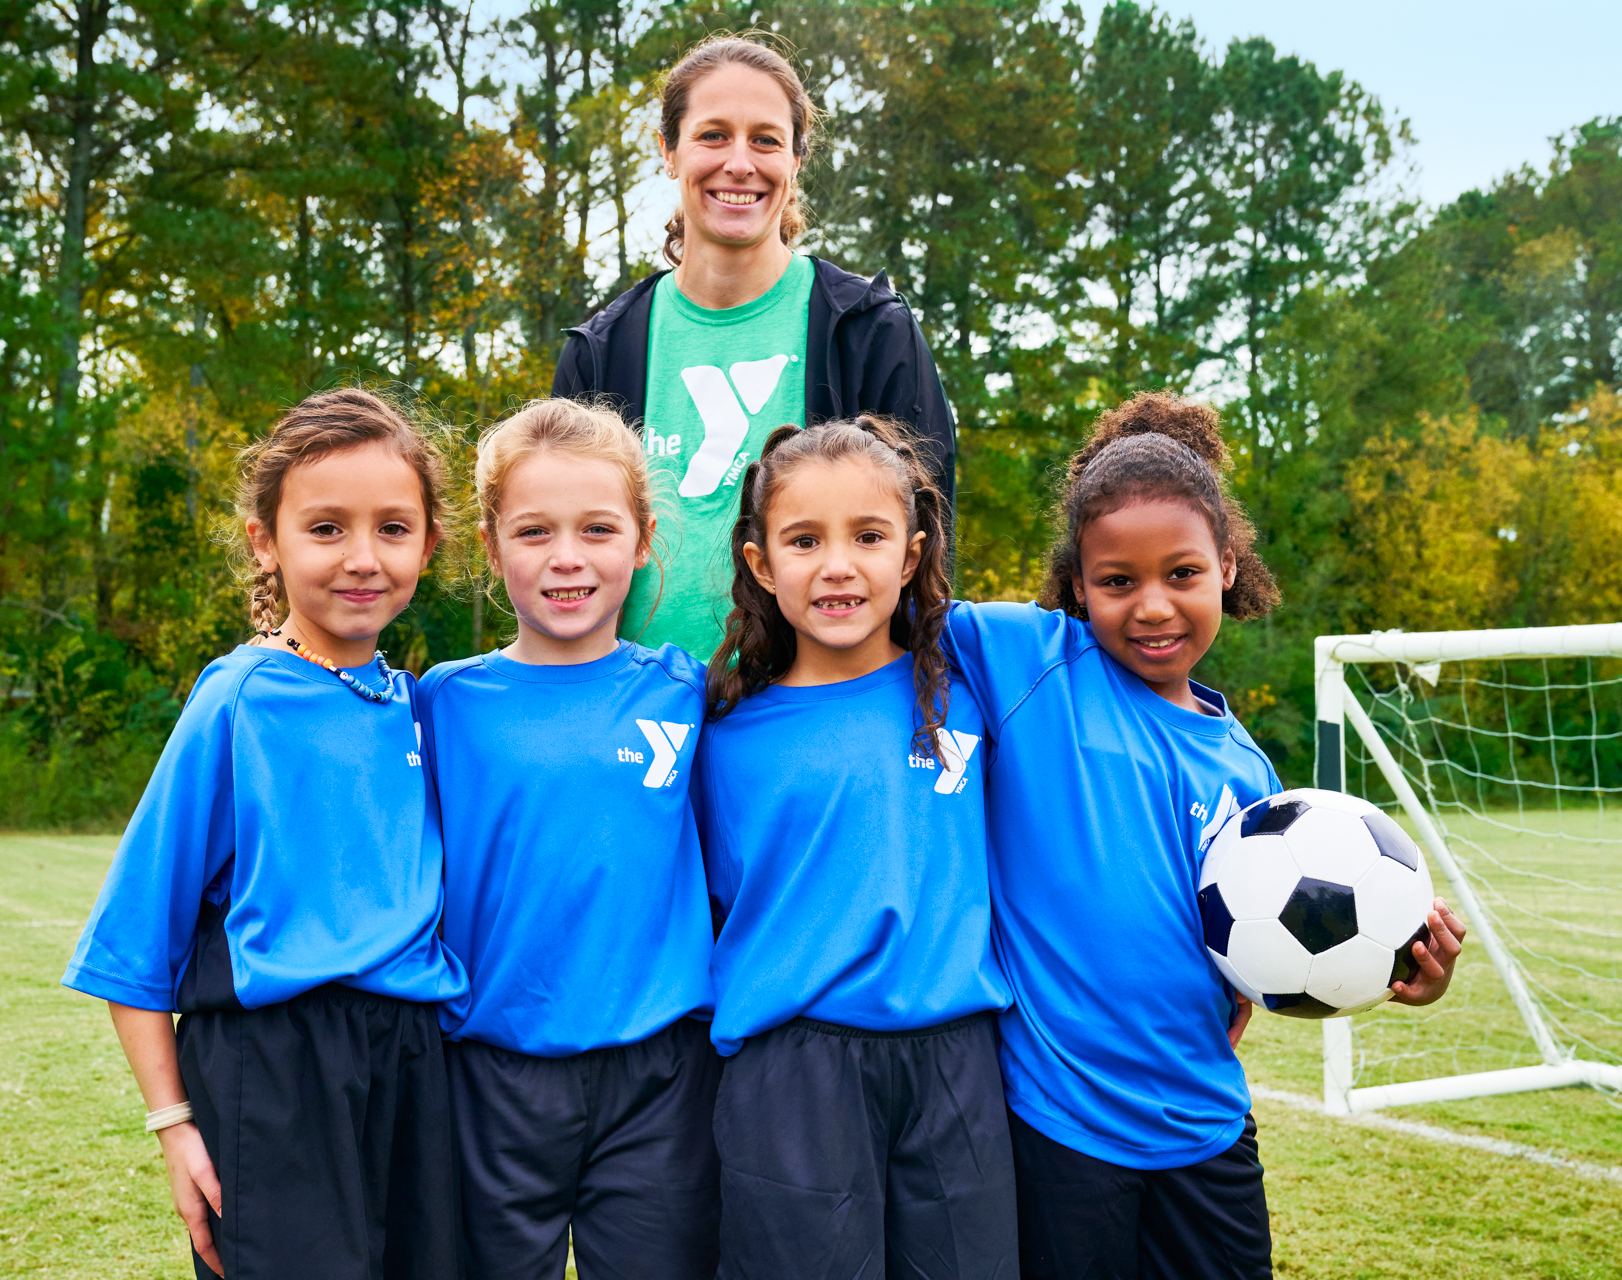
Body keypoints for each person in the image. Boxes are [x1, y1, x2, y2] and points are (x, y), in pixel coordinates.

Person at [945, 393, 1467, 1280]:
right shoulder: (1029, 663)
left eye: (1181, 573)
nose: (1152, 606)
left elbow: (1249, 969)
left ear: (1227, 566)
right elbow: (884, 606)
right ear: (1077, 583)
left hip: (1207, 1125)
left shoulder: (1253, 778)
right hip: (1058, 1126)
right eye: (1118, 582)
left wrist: (1390, 965)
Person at [60, 388, 467, 1280]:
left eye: (393, 529)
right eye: (325, 529)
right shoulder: (239, 699)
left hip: (413, 1061)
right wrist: (174, 1129)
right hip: (276, 1067)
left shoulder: (419, 705)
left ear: (428, 545)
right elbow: (135, 940)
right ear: (265, 542)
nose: (363, 558)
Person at [696, 417, 1017, 1280]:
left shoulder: (970, 692)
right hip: (793, 1073)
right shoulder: (721, 734)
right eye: (805, 539)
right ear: (762, 564)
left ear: (910, 557)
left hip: (957, 1063)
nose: (838, 565)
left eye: (868, 536)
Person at [418, 399, 719, 1280]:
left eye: (597, 528)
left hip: (659, 1079)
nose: (567, 558)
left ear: (642, 538)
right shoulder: (442, 702)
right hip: (491, 1074)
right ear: (490, 544)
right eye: (534, 531)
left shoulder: (689, 693)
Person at [552, 34, 955, 659]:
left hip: (808, 713)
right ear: (668, 150)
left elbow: (924, 550)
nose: (740, 163)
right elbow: (561, 550)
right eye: (713, 135)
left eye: (765, 139)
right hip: (635, 718)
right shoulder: (601, 352)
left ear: (796, 158)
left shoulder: (870, 331)